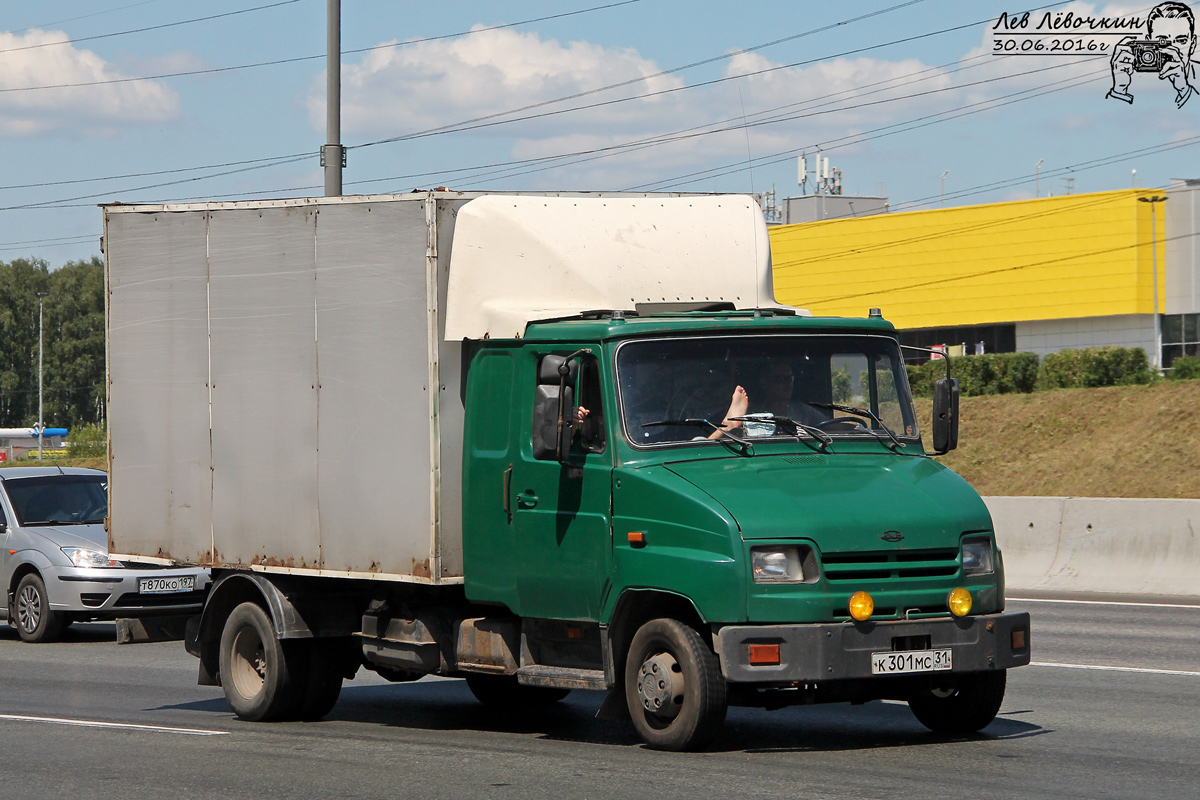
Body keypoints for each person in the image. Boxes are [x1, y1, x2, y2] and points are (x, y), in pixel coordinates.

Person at [1108, 2, 1198, 108]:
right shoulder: (1132, 74)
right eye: (1162, 42)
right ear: (1148, 42)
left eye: (1181, 41)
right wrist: (1119, 89)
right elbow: (1100, 120)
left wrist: (1184, 89)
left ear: (1193, 44)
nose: (1172, 49)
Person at [708, 363, 822, 439]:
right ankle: (728, 426)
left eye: (790, 379)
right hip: (758, 457)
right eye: (780, 379)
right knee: (699, 443)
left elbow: (833, 427)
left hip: (796, 455)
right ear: (764, 383)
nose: (788, 384)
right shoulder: (749, 414)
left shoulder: (803, 410)